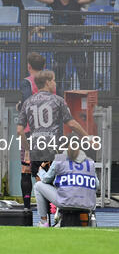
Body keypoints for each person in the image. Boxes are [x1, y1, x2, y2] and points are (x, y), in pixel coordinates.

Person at [17, 70, 90, 181]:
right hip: (54, 148)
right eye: (54, 80)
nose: (55, 83)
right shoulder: (58, 100)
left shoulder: (28, 102)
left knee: (40, 184)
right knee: (55, 182)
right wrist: (87, 137)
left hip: (36, 149)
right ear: (47, 82)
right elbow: (71, 123)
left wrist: (27, 148)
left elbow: (19, 130)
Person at [33, 147, 98, 227]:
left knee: (38, 185)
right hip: (87, 204)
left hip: (65, 202)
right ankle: (92, 217)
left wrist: (41, 171)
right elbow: (96, 185)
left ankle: (43, 222)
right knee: (90, 189)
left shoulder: (59, 159)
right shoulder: (90, 162)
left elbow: (46, 179)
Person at [18, 52, 51, 210]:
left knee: (26, 166)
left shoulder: (27, 82)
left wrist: (20, 107)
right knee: (43, 169)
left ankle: (26, 207)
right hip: (48, 131)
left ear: (28, 66)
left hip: (30, 130)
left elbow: (26, 101)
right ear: (44, 66)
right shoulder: (50, 82)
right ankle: (45, 207)